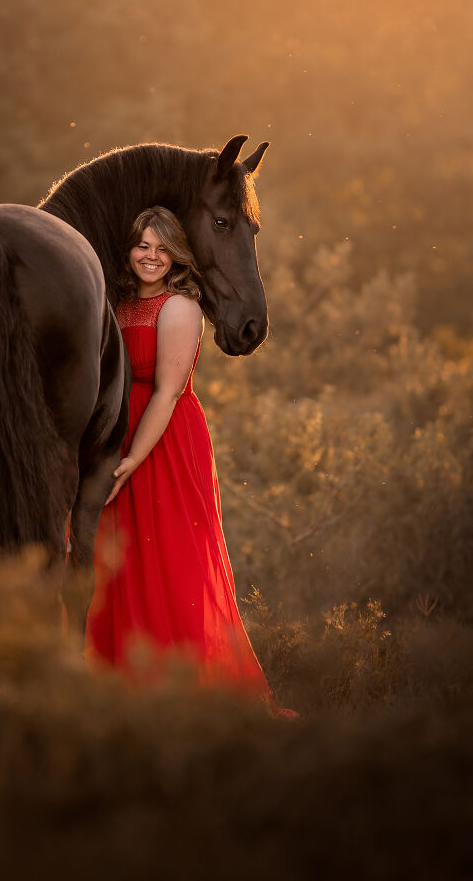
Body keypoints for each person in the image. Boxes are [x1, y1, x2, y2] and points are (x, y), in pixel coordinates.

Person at [85, 206, 297, 719]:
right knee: (117, 562)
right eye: (142, 246)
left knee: (168, 557)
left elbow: (168, 391)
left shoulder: (179, 307)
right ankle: (116, 686)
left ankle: (177, 690)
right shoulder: (114, 300)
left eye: (162, 248)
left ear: (177, 254)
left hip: (162, 441)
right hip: (114, 435)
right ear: (128, 248)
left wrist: (132, 458)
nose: (151, 258)